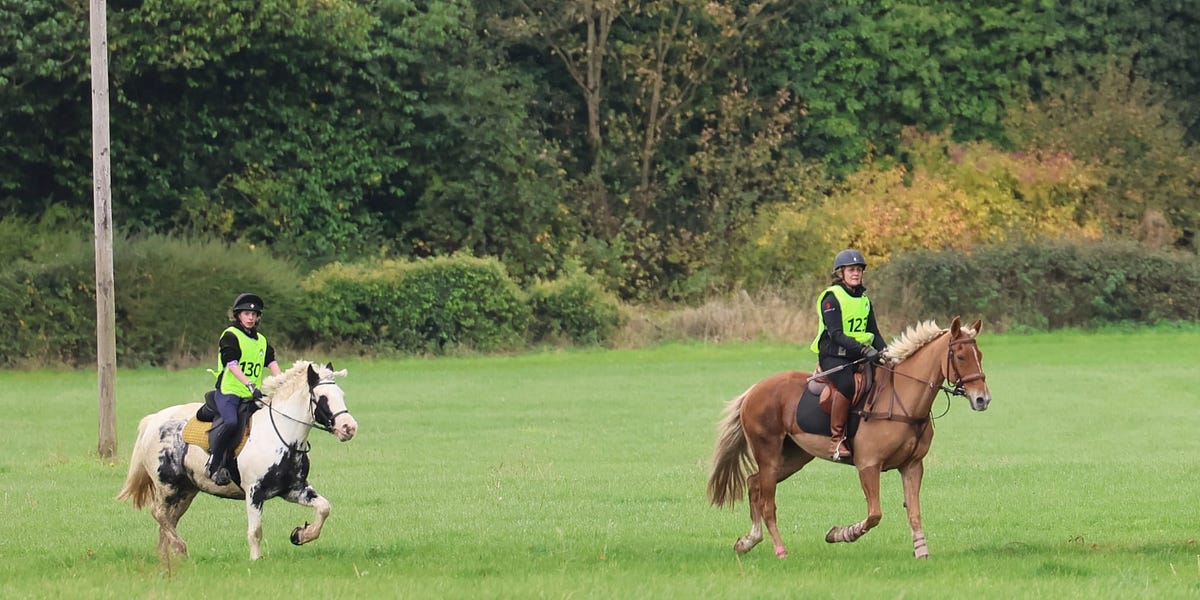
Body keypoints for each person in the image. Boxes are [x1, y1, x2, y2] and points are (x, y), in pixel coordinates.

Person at [809, 249, 887, 460]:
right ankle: (837, 440)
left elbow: (874, 333)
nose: (856, 273)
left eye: (859, 270)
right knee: (847, 385)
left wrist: (887, 353)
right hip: (834, 355)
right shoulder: (831, 298)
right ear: (840, 273)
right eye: (851, 270)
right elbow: (835, 334)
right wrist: (863, 349)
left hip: (861, 355)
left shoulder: (865, 301)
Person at [207, 292, 282, 486]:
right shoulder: (231, 335)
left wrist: (283, 381)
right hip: (230, 392)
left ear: (258, 317)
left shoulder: (262, 341)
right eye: (246, 313)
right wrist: (250, 384)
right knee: (231, 422)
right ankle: (215, 464)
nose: (250, 317)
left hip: (251, 395)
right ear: (238, 315)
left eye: (254, 314)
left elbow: (271, 361)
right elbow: (232, 364)